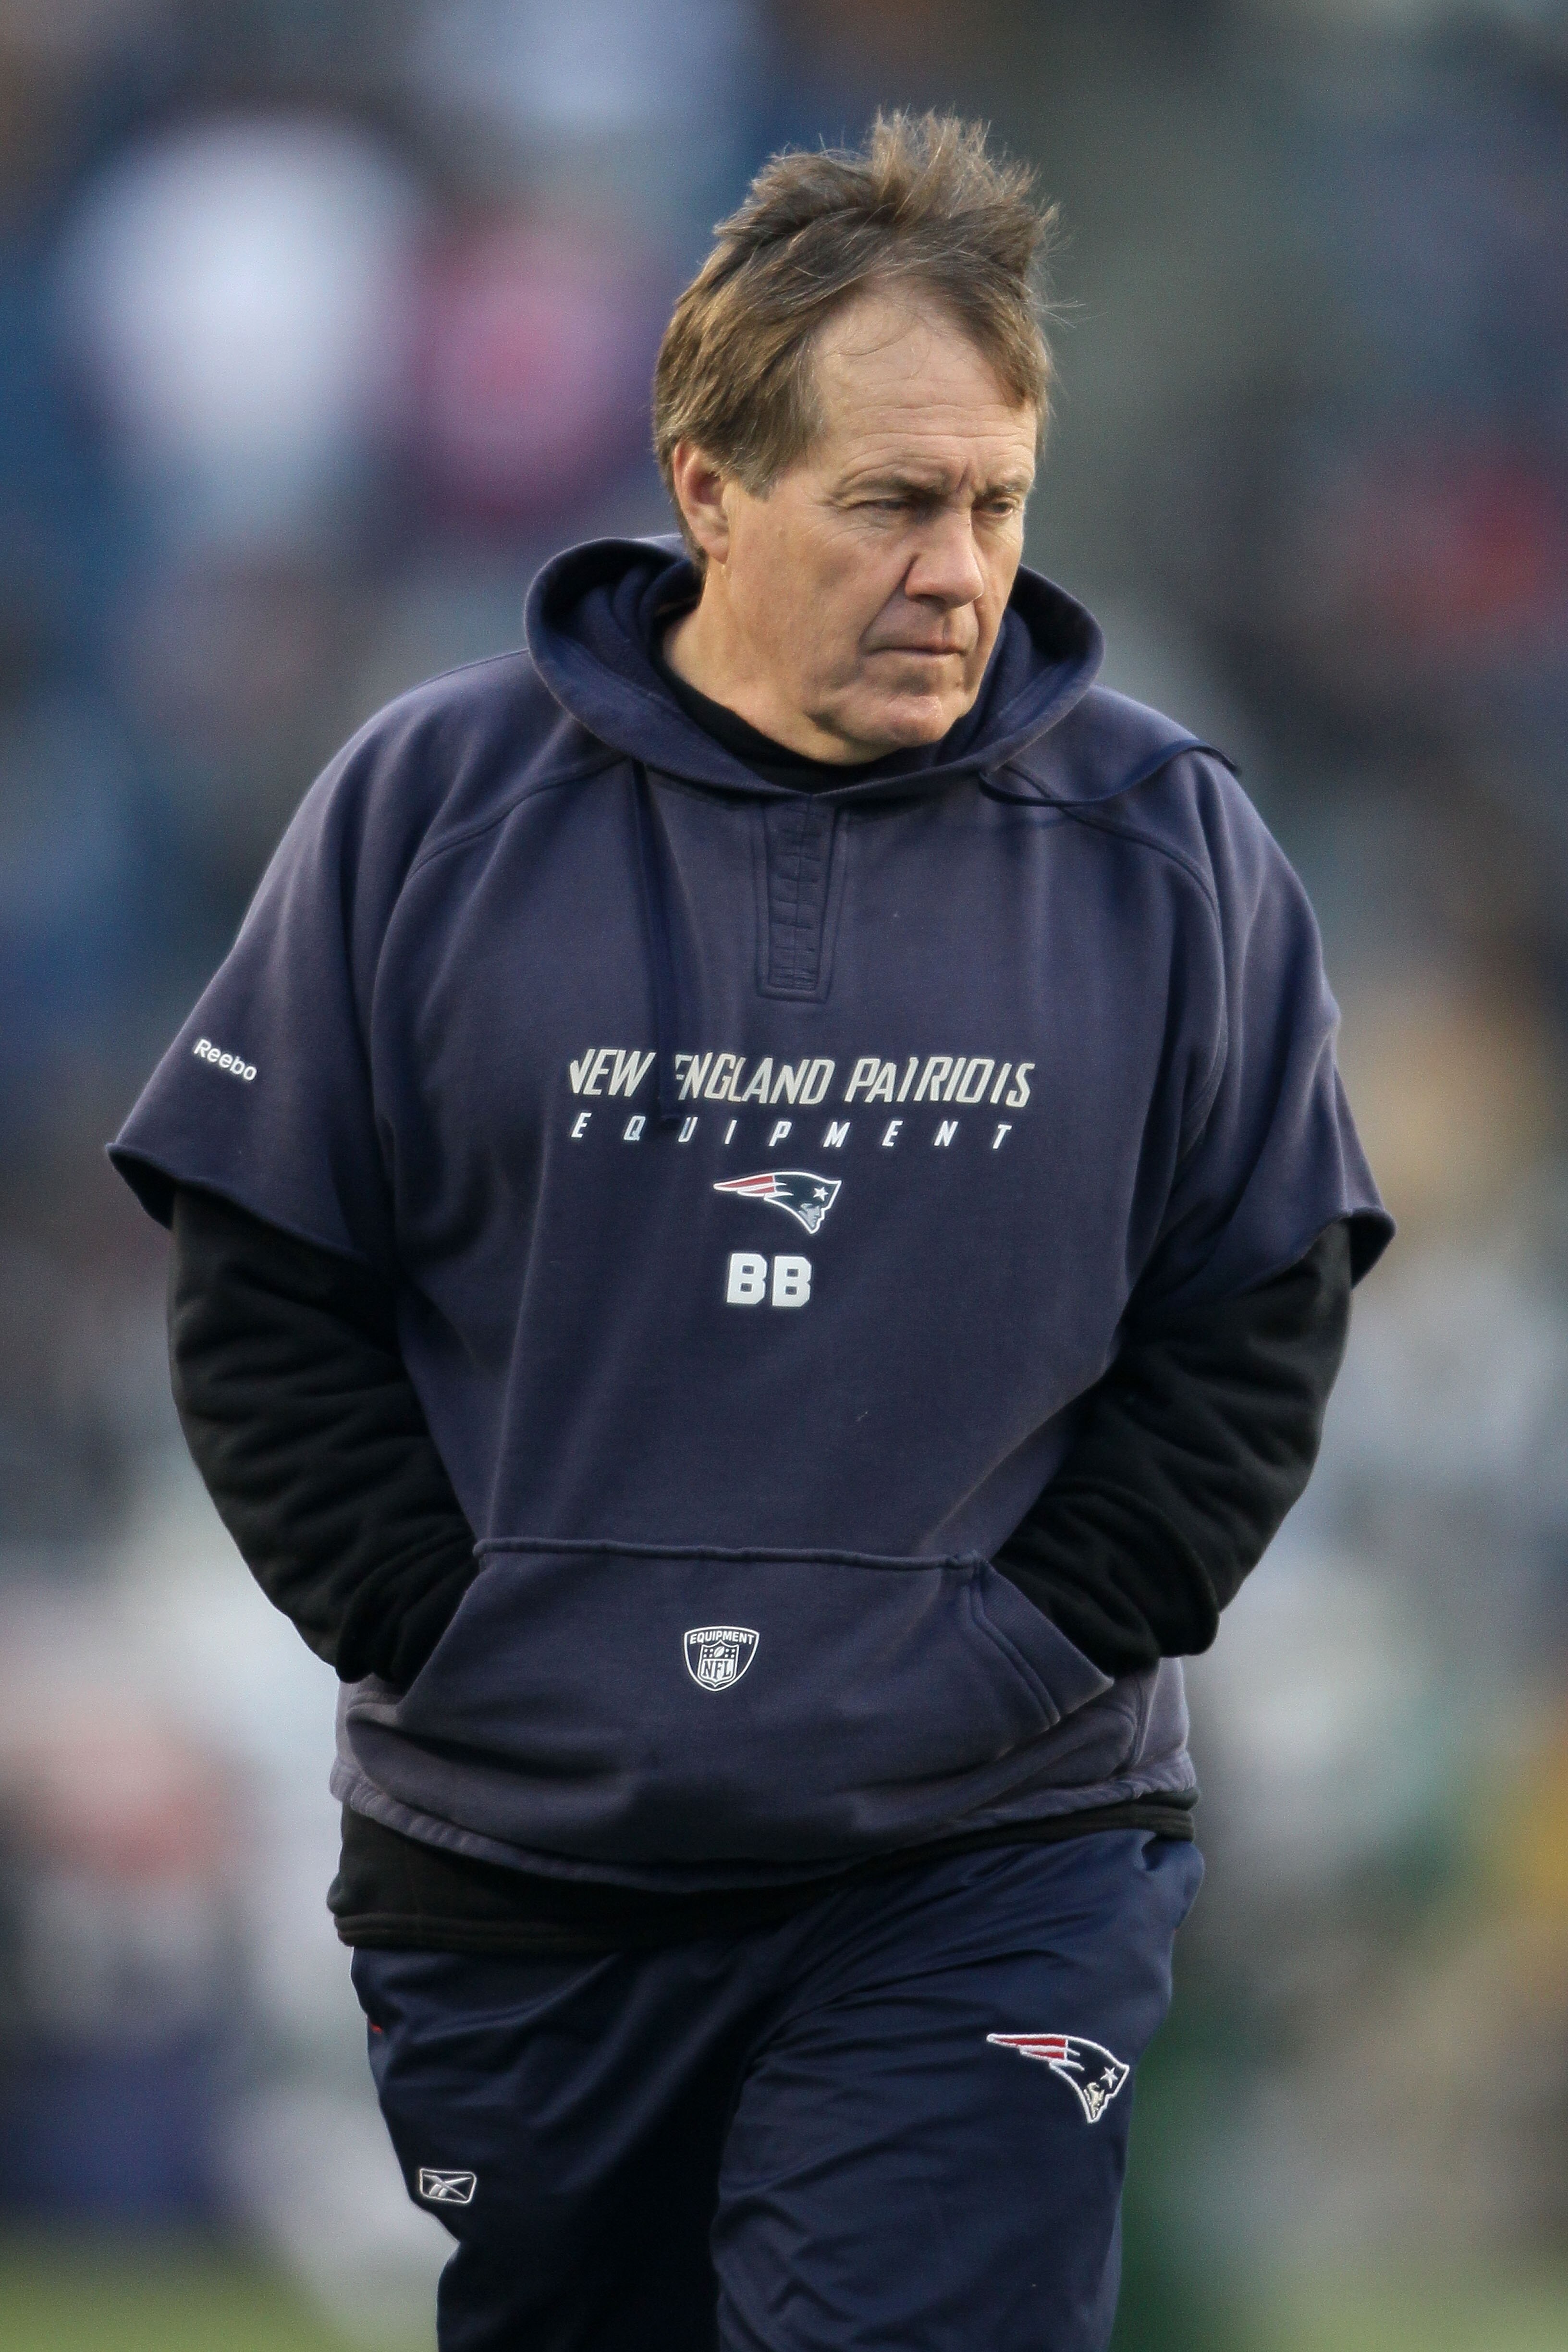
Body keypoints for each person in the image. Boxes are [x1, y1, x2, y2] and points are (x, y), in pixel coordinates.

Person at [110, 113, 1391, 2352]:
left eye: (996, 501)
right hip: (520, 1864)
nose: (958, 569)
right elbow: (264, 1294)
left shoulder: (1173, 848)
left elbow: (1253, 1326)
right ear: (708, 488)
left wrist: (1029, 1649)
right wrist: (448, 1629)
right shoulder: (425, 809)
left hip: (986, 1857)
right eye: (892, 502)